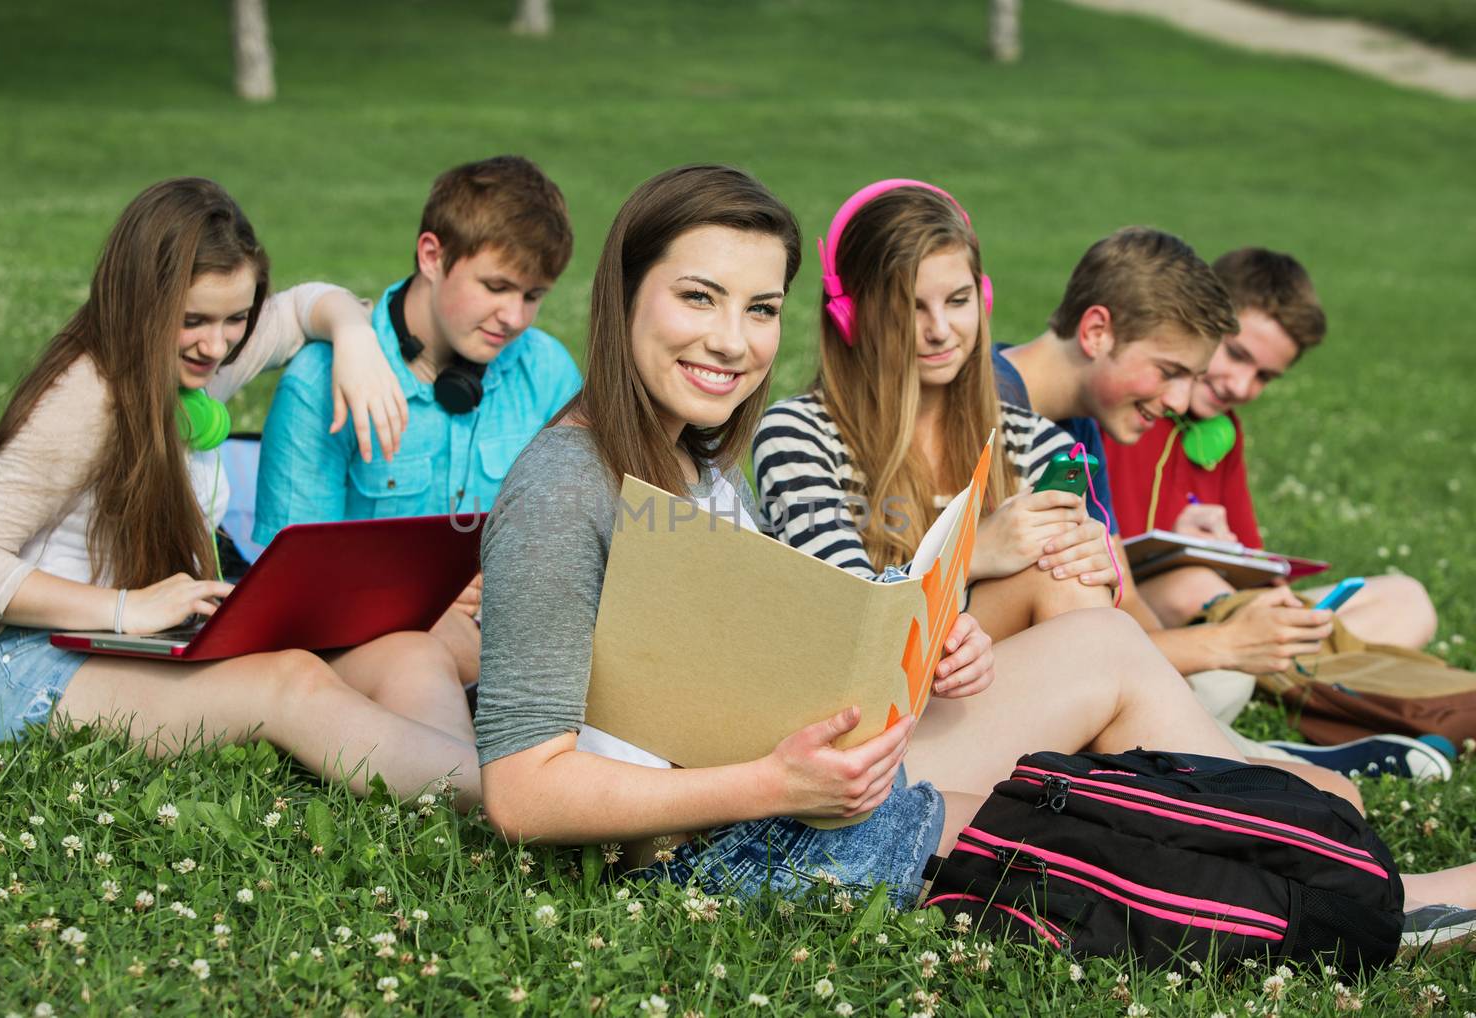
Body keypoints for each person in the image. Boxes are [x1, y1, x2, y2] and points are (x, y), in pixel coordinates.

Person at [470, 164, 1361, 907]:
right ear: (623, 294)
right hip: (731, 845)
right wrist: (776, 786)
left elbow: (740, 661)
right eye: (699, 298)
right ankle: (1370, 873)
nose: (733, 341)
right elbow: (521, 792)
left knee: (1106, 683)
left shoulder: (698, 464)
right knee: (1157, 855)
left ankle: (1312, 819)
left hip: (810, 789)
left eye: (759, 309)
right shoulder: (563, 485)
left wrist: (928, 640)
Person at [0, 178, 480, 809]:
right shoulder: (85, 402)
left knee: (411, 651)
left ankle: (465, 808)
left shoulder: (195, 362)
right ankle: (515, 802)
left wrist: (354, 336)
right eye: (193, 321)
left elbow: (303, 308)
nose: (216, 346)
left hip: (164, 639)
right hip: (40, 667)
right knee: (289, 683)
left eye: (235, 318)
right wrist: (128, 610)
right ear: (142, 307)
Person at [1000, 235, 1448, 779]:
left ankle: (1240, 750)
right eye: (1172, 371)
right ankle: (1254, 760)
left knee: (1394, 605)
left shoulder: (1084, 426)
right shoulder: (1000, 409)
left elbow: (1127, 605)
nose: (1184, 402)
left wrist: (1234, 629)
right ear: (1097, 332)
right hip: (1014, 682)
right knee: (1179, 636)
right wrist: (1221, 642)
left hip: (1084, 655)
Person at [254, 155, 583, 683]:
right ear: (432, 255)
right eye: (496, 288)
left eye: (534, 296)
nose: (516, 318)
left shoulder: (547, 370)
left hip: (513, 630)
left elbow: (580, 538)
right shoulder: (318, 384)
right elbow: (291, 595)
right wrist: (423, 598)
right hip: (366, 644)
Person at [753, 180, 1114, 642]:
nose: (940, 330)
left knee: (1067, 580)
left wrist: (1095, 568)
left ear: (983, 300)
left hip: (992, 683)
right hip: (866, 694)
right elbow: (851, 621)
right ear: (850, 316)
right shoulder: (798, 434)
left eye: (958, 301)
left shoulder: (1039, 443)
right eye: (910, 307)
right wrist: (969, 554)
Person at [1103, 246, 1437, 646]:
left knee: (1408, 599)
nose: (1241, 386)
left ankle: (1287, 664)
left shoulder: (1225, 431)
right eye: (1237, 355)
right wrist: (1171, 544)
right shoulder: (1122, 405)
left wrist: (1237, 560)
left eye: (1264, 377)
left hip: (1225, 611)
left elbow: (1256, 567)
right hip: (1134, 606)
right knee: (1193, 587)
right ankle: (1309, 667)